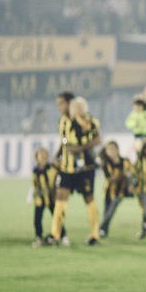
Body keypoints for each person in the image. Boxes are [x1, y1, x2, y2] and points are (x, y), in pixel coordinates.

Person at [49, 93, 102, 247]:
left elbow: (98, 139)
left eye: (61, 104)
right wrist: (58, 155)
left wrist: (79, 148)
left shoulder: (90, 121)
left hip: (85, 168)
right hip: (66, 168)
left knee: (89, 198)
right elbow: (64, 141)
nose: (59, 107)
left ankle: (95, 234)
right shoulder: (63, 122)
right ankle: (55, 234)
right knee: (60, 198)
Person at [31, 147, 65, 248]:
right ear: (36, 157)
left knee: (57, 216)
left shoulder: (52, 168)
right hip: (41, 198)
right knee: (37, 218)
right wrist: (35, 196)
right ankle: (38, 236)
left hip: (51, 196)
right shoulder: (36, 170)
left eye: (44, 154)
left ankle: (63, 235)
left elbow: (58, 179)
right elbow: (35, 184)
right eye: (40, 155)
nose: (42, 157)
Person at [98, 141, 133, 238]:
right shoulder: (106, 163)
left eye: (113, 149)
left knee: (110, 211)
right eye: (109, 150)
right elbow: (110, 178)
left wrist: (129, 181)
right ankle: (104, 231)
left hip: (120, 191)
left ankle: (100, 229)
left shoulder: (125, 161)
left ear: (117, 149)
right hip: (108, 191)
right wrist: (123, 174)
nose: (111, 152)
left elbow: (131, 173)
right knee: (106, 212)